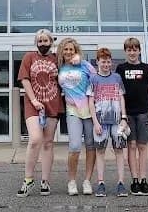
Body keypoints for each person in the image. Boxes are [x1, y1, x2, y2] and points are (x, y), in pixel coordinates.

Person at [16, 29, 63, 197]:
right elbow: (24, 79)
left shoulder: (57, 59)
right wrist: (34, 100)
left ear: (51, 42)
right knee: (35, 139)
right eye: (40, 41)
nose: (43, 44)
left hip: (53, 103)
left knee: (48, 142)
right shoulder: (29, 57)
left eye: (46, 41)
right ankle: (28, 179)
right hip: (33, 104)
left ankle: (45, 181)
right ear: (36, 42)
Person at [116, 36, 148, 196]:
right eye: (129, 49)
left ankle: (143, 180)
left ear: (139, 51)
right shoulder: (121, 68)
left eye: (135, 49)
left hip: (143, 112)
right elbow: (118, 91)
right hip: (127, 114)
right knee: (131, 146)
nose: (132, 52)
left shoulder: (147, 68)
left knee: (142, 146)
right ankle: (134, 180)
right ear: (125, 51)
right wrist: (121, 115)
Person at [57, 36, 96, 196]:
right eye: (65, 49)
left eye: (71, 49)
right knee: (74, 146)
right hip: (72, 110)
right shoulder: (58, 66)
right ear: (62, 51)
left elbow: (97, 79)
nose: (68, 52)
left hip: (89, 109)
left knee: (90, 145)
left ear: (76, 51)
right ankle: (71, 182)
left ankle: (87, 181)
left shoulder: (84, 65)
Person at [88, 47, 130, 197]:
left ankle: (121, 183)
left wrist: (124, 118)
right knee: (100, 151)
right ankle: (100, 183)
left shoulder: (117, 78)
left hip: (117, 121)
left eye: (108, 62)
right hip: (101, 121)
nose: (106, 64)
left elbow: (121, 98)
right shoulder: (93, 79)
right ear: (97, 62)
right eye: (103, 62)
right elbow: (91, 101)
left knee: (119, 150)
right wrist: (95, 122)